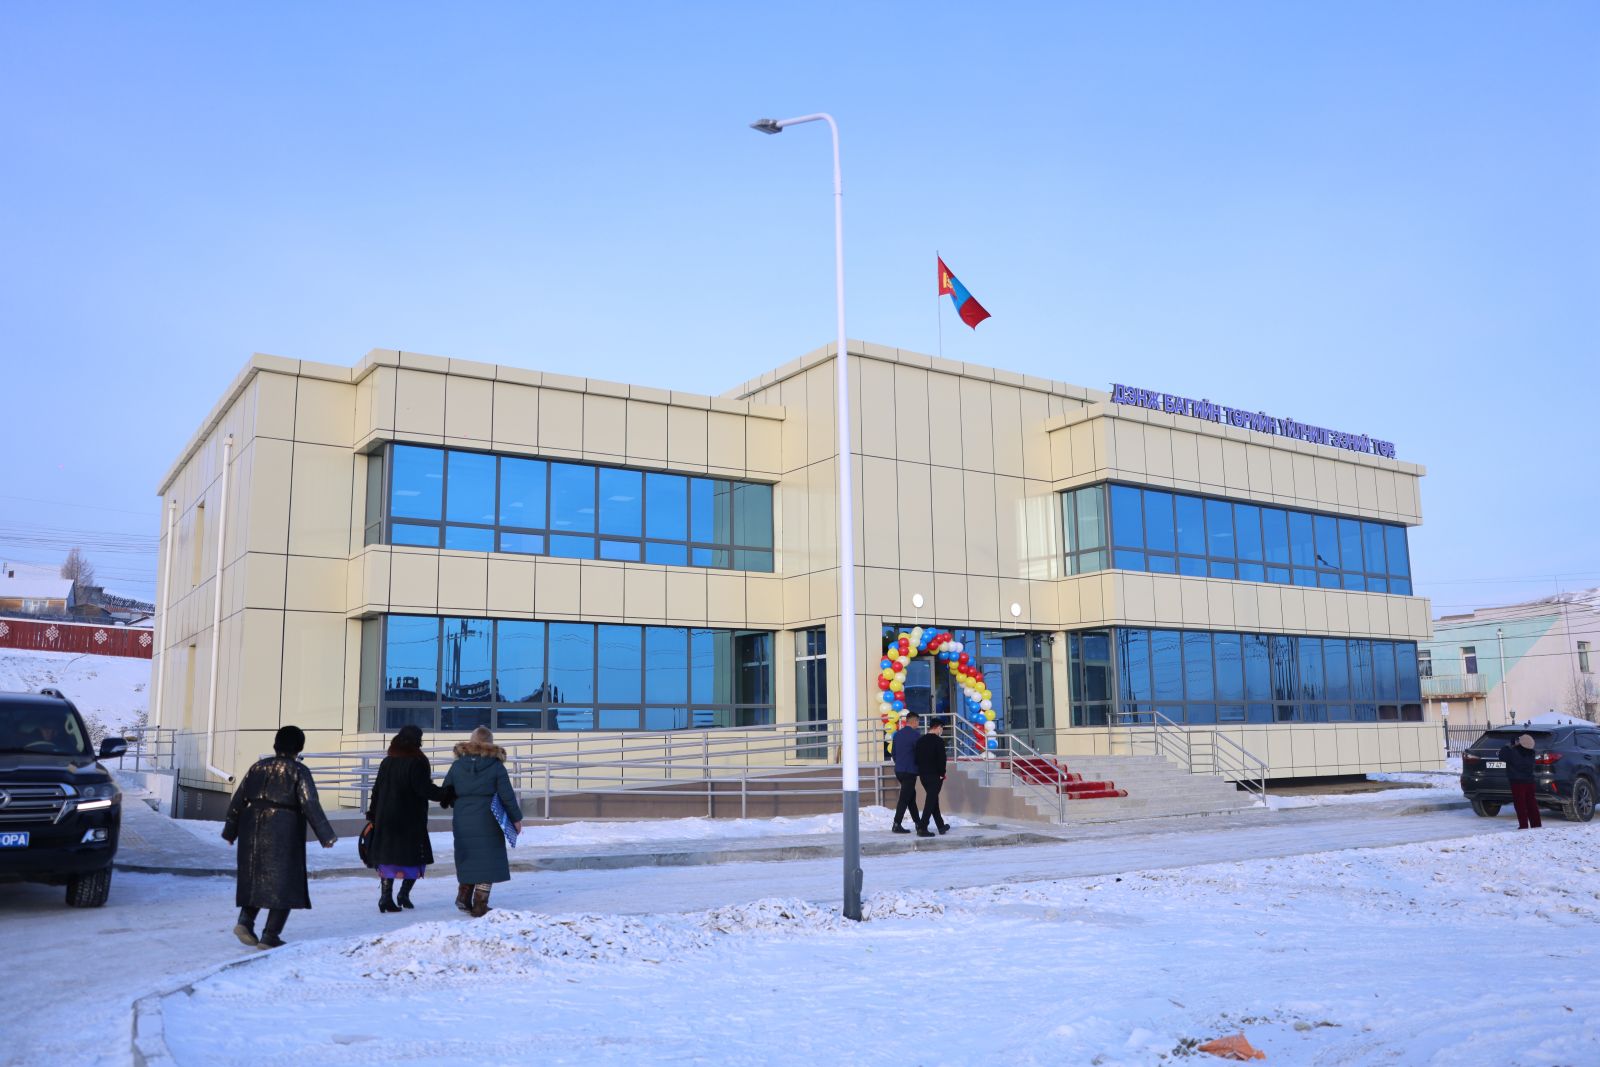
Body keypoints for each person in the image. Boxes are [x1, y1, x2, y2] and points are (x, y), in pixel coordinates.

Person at [222, 725, 336, 949]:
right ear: (299, 747)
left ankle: (245, 921)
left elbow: (238, 800)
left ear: (276, 744)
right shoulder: (299, 770)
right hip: (283, 827)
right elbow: (309, 802)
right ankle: (270, 935)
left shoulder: (257, 767)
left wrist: (230, 830)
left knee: (256, 878)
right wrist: (326, 835)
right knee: (285, 881)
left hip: (251, 826)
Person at [366, 724, 452, 913]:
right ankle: (403, 895)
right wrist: (447, 794)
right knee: (415, 857)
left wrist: (373, 814)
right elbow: (424, 789)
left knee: (388, 858)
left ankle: (385, 898)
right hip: (410, 819)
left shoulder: (387, 761)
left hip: (386, 818)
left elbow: (377, 789)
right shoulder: (417, 761)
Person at [443, 725, 523, 917]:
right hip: (488, 817)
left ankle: (463, 896)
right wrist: (516, 819)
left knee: (467, 856)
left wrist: (459, 803)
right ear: (490, 743)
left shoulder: (457, 765)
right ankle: (480, 904)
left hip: (462, 817)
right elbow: (507, 795)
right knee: (488, 859)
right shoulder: (496, 766)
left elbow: (446, 791)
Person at [915, 719, 950, 836]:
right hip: (935, 776)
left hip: (923, 775)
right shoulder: (938, 741)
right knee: (930, 801)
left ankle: (940, 826)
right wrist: (942, 773)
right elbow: (942, 759)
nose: (942, 730)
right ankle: (922, 827)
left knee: (933, 799)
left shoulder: (920, 740)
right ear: (938, 727)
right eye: (942, 728)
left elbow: (917, 758)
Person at [1499, 732, 1542, 830]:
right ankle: (1536, 824)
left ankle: (1523, 825)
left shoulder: (1513, 752)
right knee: (1531, 803)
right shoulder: (1531, 753)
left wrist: (1508, 746)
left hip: (1517, 782)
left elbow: (1502, 755)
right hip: (1529, 781)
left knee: (1520, 804)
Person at [891, 712, 923, 834]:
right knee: (905, 798)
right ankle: (896, 823)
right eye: (918, 721)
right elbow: (919, 753)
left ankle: (918, 823)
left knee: (910, 797)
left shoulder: (897, 734)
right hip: (910, 771)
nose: (918, 724)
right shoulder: (916, 735)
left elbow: (893, 753)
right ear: (914, 721)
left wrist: (899, 763)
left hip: (899, 770)